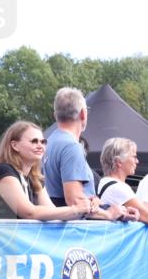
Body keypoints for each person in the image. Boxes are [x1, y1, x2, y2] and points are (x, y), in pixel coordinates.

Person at [43, 87, 123, 220]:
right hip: (71, 231)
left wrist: (95, 201)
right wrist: (109, 214)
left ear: (55, 115)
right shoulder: (71, 147)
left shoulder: (47, 143)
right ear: (83, 114)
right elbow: (75, 202)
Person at [0, 121, 94, 220]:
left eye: (43, 142)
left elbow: (52, 211)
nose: (40, 146)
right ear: (15, 145)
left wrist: (88, 207)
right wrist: (75, 210)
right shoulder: (4, 170)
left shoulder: (34, 178)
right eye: (34, 141)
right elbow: (28, 213)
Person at [97, 137, 148, 225]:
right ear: (119, 162)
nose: (137, 161)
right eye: (134, 157)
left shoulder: (104, 182)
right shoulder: (118, 188)